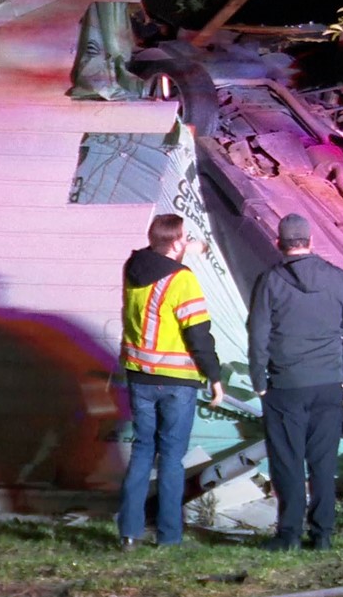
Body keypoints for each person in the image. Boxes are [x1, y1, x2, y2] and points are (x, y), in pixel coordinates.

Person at [248, 213, 343, 552]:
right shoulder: (339, 278)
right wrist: (342, 374)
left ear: (279, 244)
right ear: (312, 242)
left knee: (288, 461)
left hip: (285, 386)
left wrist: (259, 379)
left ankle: (289, 536)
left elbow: (257, 333)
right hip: (328, 384)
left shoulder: (270, 281)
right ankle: (323, 534)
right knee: (323, 463)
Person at [118, 214, 223, 549]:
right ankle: (169, 537)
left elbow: (156, 256)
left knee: (142, 453)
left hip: (139, 377)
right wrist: (215, 376)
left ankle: (129, 534)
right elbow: (198, 333)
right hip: (176, 382)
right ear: (176, 242)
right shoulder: (183, 279)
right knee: (171, 459)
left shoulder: (133, 268)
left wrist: (188, 247)